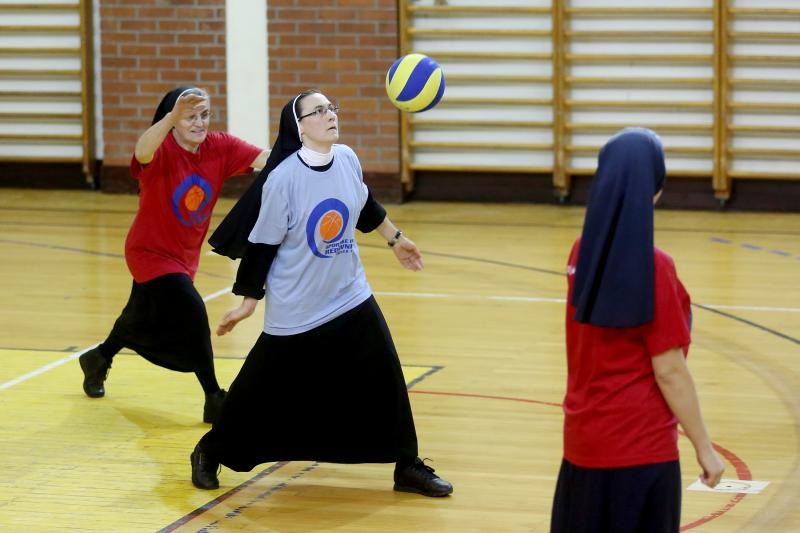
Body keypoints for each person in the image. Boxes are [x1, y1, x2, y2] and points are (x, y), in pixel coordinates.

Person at [189, 89, 453, 498]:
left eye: (332, 107)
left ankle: (407, 464)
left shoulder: (346, 158)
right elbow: (263, 244)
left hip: (350, 294)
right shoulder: (283, 179)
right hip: (298, 306)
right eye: (319, 110)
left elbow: (364, 205)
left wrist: (395, 238)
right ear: (300, 126)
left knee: (386, 376)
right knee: (260, 389)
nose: (330, 114)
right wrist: (247, 302)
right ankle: (211, 449)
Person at [550, 128, 725, 532]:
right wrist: (705, 448)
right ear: (656, 190)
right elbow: (670, 370)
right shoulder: (656, 266)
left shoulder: (580, 251)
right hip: (641, 453)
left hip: (582, 445)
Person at [78, 86, 269, 424]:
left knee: (136, 319)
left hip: (184, 257)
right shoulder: (160, 149)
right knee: (192, 310)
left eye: (203, 115)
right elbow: (141, 149)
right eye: (189, 117)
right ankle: (214, 396)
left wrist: (309, 150)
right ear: (173, 120)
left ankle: (99, 357)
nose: (199, 123)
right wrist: (170, 117)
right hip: (149, 252)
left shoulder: (219, 147)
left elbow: (267, 160)